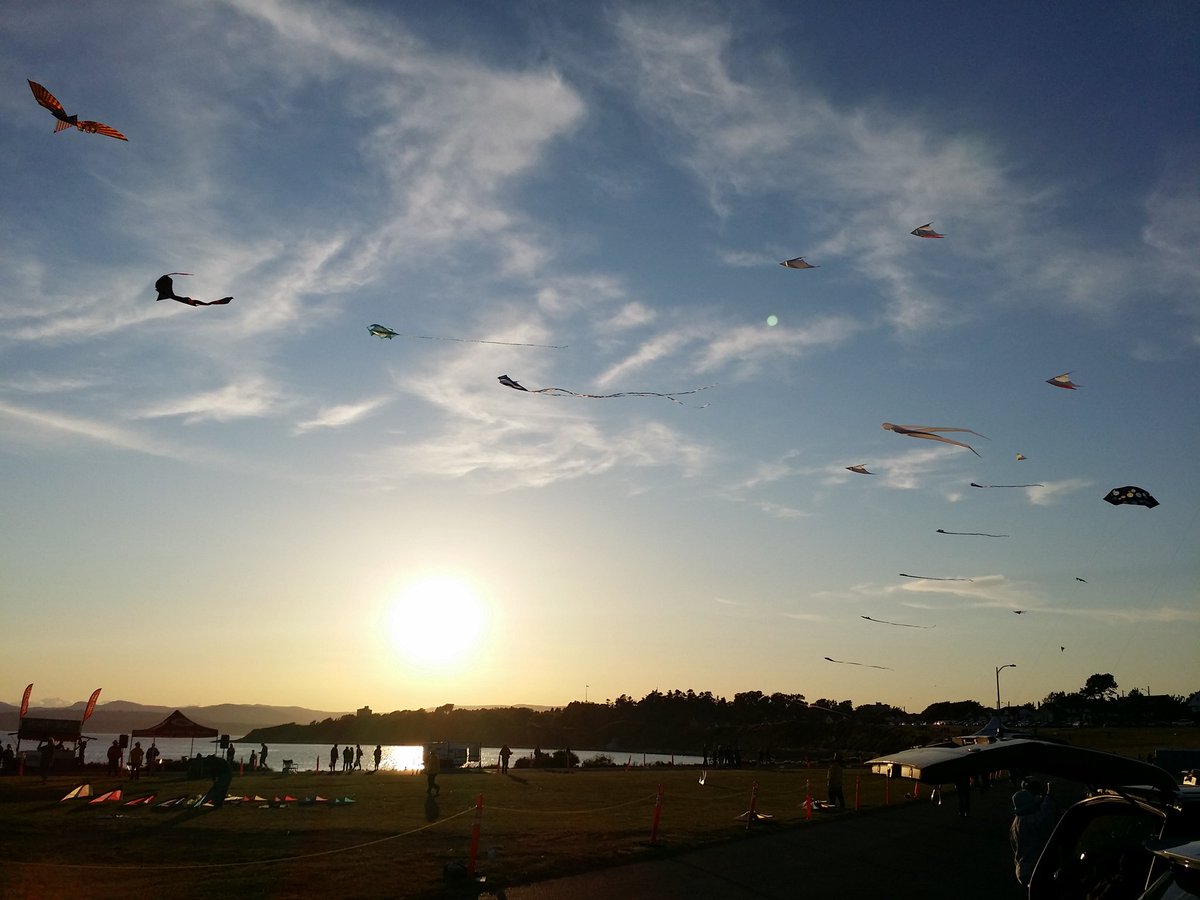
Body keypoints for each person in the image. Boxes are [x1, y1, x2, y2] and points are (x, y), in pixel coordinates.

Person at [1010, 780, 1059, 886]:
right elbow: (1046, 816)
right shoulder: (1028, 821)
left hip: (1023, 869)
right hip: (1034, 868)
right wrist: (1049, 795)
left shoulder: (1016, 824)